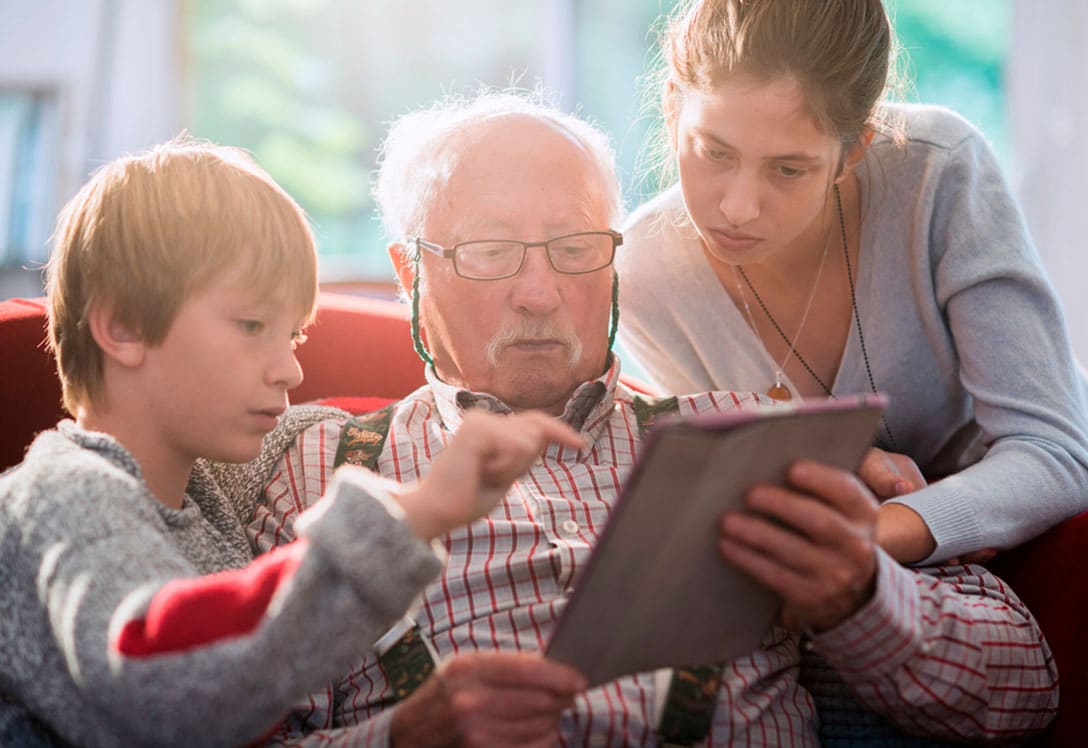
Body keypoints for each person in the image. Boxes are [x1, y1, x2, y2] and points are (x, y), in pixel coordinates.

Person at [232, 91, 1058, 747]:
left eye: (575, 245)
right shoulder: (319, 468)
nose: (540, 291)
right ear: (409, 273)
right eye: (489, 251)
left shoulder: (744, 435)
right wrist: (403, 737)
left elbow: (1025, 693)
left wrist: (861, 597)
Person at [0, 138, 587, 748]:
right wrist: (413, 512)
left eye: (293, 338)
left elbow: (340, 423)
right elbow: (165, 684)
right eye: (252, 326)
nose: (290, 371)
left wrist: (402, 735)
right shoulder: (66, 496)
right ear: (122, 327)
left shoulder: (199, 494)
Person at [615, 0, 1088, 567]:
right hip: (852, 584)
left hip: (1050, 551)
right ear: (672, 110)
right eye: (715, 152)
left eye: (788, 169)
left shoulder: (937, 172)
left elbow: (1054, 453)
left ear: (852, 150)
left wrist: (878, 534)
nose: (737, 208)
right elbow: (754, 466)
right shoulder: (644, 274)